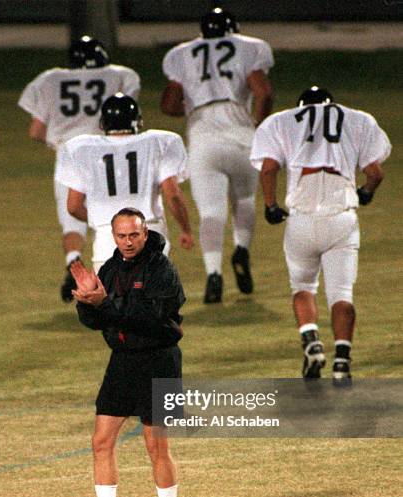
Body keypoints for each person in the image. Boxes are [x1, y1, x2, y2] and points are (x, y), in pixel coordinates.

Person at [250, 86, 391, 381]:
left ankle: (311, 342)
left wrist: (270, 205)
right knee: (341, 294)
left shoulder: (282, 121)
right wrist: (365, 192)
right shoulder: (357, 120)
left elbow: (268, 169)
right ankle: (342, 360)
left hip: (301, 217)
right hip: (340, 216)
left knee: (302, 286)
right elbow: (375, 173)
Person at [67, 208, 185, 497]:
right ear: (113, 236)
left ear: (145, 234)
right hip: (121, 361)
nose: (128, 242)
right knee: (101, 440)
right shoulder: (110, 267)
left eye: (134, 235)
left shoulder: (162, 270)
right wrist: (88, 303)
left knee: (156, 446)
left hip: (159, 361)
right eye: (121, 236)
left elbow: (152, 319)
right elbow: (98, 321)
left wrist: (105, 304)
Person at [161, 7, 274, 303]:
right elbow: (263, 92)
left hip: (203, 137)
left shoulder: (182, 54)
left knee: (211, 212)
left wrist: (192, 103)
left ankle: (213, 274)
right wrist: (259, 125)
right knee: (245, 200)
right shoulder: (250, 48)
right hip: (240, 133)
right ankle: (242, 250)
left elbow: (170, 104)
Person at [18, 36, 140, 300]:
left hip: (70, 151)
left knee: (71, 216)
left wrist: (58, 141)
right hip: (105, 149)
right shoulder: (119, 75)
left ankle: (74, 260)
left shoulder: (50, 79)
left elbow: (35, 131)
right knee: (113, 210)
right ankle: (122, 274)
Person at [56, 93, 194, 272]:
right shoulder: (158, 142)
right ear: (137, 121)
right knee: (150, 298)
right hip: (149, 234)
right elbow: (173, 195)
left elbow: (73, 206)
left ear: (103, 123)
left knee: (111, 298)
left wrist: (105, 221)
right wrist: (186, 229)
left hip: (109, 239)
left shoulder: (82, 148)